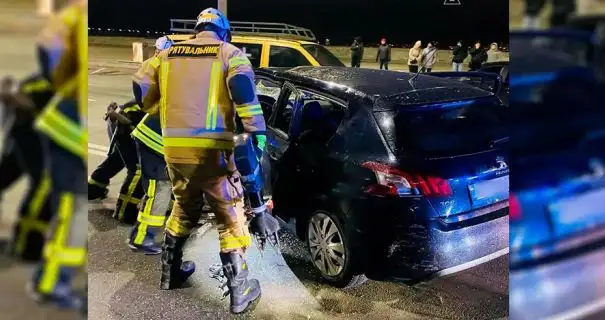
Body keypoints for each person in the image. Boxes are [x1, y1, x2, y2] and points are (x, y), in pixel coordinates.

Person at [132, 8, 279, 314]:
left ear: (197, 30)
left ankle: (169, 273)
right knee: (230, 216)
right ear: (224, 32)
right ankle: (241, 291)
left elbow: (141, 90)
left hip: (174, 150)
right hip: (214, 152)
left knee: (184, 206)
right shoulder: (231, 54)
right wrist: (257, 141)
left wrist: (166, 106)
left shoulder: (166, 55)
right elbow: (246, 102)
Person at [28, 0, 87, 310]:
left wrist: (62, 85)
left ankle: (51, 279)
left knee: (70, 211)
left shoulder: (77, 14)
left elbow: (50, 52)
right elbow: (50, 50)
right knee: (72, 213)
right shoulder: (80, 12)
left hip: (65, 125)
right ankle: (50, 283)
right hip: (69, 130)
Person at [127, 36, 175, 255]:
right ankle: (142, 238)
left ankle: (142, 234)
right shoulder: (169, 69)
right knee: (159, 191)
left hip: (152, 139)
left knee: (157, 191)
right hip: (154, 142)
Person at [0, 74, 54, 262]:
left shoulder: (38, 82)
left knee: (6, 174)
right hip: (32, 138)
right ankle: (28, 244)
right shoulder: (43, 85)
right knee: (44, 187)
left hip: (22, 136)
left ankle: (28, 241)